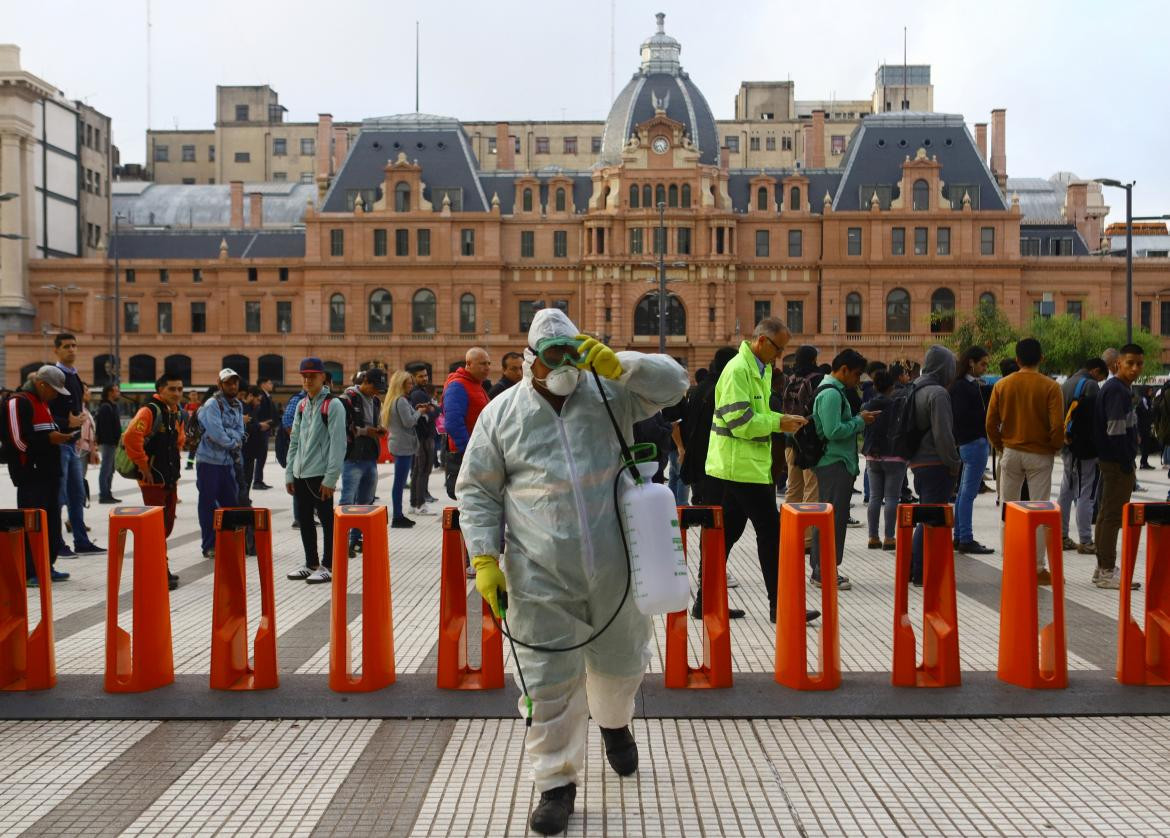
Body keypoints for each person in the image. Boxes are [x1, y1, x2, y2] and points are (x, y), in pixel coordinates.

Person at [457, 308, 688, 836]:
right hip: (538, 573)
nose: (563, 364)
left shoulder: (608, 394)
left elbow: (675, 385)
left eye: (572, 352)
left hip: (615, 565)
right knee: (546, 682)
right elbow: (476, 490)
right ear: (529, 361)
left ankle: (614, 725)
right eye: (553, 355)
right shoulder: (502, 415)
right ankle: (556, 783)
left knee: (621, 664)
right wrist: (485, 559)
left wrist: (621, 364)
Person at [706, 319, 818, 623]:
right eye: (778, 348)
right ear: (761, 341)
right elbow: (739, 423)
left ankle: (705, 601)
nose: (780, 355)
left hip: (748, 466)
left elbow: (761, 414)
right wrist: (778, 423)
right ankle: (780, 606)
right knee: (771, 533)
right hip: (738, 466)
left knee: (728, 533)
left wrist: (783, 418)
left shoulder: (761, 369)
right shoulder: (738, 370)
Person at [985, 338, 1064, 584]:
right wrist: (1053, 446)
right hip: (1040, 454)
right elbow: (1057, 425)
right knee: (1039, 510)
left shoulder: (1002, 385)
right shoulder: (1051, 387)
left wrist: (1000, 445)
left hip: (1010, 451)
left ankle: (1011, 563)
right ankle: (1038, 568)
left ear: (1017, 359)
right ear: (1042, 358)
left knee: (1008, 509)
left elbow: (990, 422)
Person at [810, 349, 879, 589]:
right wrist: (860, 421)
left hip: (837, 462)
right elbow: (832, 431)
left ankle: (823, 568)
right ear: (844, 370)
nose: (857, 380)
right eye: (857, 374)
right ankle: (824, 570)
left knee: (831, 518)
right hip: (833, 463)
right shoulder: (831, 394)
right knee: (832, 519)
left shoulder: (835, 391)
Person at [4, 366, 74, 585]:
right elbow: (17, 441)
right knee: (32, 522)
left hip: (49, 474)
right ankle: (30, 571)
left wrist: (60, 437)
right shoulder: (18, 401)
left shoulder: (43, 403)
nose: (55, 395)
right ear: (42, 384)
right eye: (54, 390)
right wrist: (50, 441)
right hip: (31, 474)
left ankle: (46, 565)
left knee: (50, 521)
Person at [285, 357, 348, 584]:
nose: (308, 379)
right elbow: (295, 441)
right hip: (301, 473)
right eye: (304, 376)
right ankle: (311, 562)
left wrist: (331, 478)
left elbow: (338, 443)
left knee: (326, 520)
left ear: (323, 377)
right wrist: (290, 473)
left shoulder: (333, 405)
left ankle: (329, 564)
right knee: (304, 519)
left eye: (312, 375)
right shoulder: (302, 405)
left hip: (320, 474)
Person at [122, 372, 186, 590]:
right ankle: (156, 572)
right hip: (153, 480)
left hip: (168, 478)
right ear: (160, 390)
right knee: (155, 528)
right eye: (172, 389)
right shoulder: (149, 410)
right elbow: (131, 436)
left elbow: (179, 441)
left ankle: (160, 567)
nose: (177, 393)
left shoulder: (176, 413)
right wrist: (143, 465)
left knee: (165, 526)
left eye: (179, 389)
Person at [906, 346, 961, 583]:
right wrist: (954, 463)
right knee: (931, 518)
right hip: (936, 463)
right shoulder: (937, 393)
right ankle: (920, 571)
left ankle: (915, 568)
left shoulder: (915, 388)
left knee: (927, 514)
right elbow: (943, 434)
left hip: (919, 462)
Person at [1093, 344, 1146, 590]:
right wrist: (1126, 461)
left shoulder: (1119, 388)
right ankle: (1106, 571)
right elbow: (1115, 430)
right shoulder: (1117, 390)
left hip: (1111, 461)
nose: (1135, 368)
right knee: (1112, 517)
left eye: (1139, 364)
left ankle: (1102, 567)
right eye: (1130, 363)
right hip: (1116, 463)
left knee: (1106, 515)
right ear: (1118, 365)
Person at [49, 333, 103, 557]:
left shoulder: (74, 375)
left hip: (72, 444)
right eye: (66, 346)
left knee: (77, 494)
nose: (72, 350)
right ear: (57, 350)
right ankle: (58, 543)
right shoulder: (55, 375)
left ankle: (81, 540)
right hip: (59, 443)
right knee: (59, 496)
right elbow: (46, 412)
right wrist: (65, 423)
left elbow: (78, 410)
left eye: (74, 346)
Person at [1058, 358, 1108, 554]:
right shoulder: (1091, 385)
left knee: (1066, 490)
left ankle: (1061, 535)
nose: (1100, 381)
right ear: (1095, 371)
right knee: (1086, 493)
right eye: (1101, 377)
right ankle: (1086, 540)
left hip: (1066, 445)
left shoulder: (1066, 384)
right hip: (1085, 450)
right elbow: (1095, 421)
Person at [196, 369, 245, 559]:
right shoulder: (212, 405)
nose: (232, 386)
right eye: (228, 383)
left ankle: (228, 541)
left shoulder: (237, 405)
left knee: (230, 504)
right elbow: (217, 434)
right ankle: (209, 545)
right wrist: (233, 440)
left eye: (235, 382)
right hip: (208, 461)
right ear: (220, 384)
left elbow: (240, 431)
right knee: (208, 505)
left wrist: (230, 436)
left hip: (228, 462)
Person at [949, 346, 994, 555]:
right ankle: (965, 536)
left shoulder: (964, 386)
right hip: (974, 442)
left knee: (964, 493)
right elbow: (964, 417)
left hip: (967, 442)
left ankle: (960, 535)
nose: (985, 368)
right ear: (971, 363)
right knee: (968, 493)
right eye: (983, 363)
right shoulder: (963, 387)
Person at [339, 369, 386, 556]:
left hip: (370, 456)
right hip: (353, 456)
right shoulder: (348, 398)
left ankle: (355, 540)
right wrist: (368, 431)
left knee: (366, 501)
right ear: (365, 381)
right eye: (374, 387)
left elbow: (375, 421)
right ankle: (341, 540)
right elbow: (345, 427)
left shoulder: (375, 401)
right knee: (347, 500)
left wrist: (379, 429)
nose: (376, 392)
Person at [442, 347, 491, 501]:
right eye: (483, 364)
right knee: (471, 502)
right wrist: (469, 452)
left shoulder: (475, 384)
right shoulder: (458, 385)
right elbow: (453, 423)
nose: (487, 368)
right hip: (467, 455)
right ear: (469, 364)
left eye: (489, 363)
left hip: (479, 453)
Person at [861, 370, 903, 550]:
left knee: (875, 497)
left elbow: (863, 429)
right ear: (892, 387)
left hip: (872, 455)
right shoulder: (898, 405)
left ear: (875, 386)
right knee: (892, 497)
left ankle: (873, 537)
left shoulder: (867, 406)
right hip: (894, 455)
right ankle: (889, 537)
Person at [382, 370, 429, 528]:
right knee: (399, 482)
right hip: (403, 445)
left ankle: (398, 514)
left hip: (398, 443)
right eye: (409, 383)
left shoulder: (393, 400)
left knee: (399, 482)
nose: (411, 386)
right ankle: (397, 516)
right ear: (401, 385)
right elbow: (409, 422)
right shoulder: (401, 401)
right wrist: (419, 412)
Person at [780, 344, 821, 507]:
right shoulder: (817, 378)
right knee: (811, 489)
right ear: (813, 359)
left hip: (790, 437)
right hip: (809, 440)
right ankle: (808, 532)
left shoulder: (789, 379)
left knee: (793, 488)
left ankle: (788, 530)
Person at [406, 364, 437, 515]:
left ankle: (414, 504)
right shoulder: (418, 394)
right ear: (413, 377)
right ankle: (420, 504)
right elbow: (428, 415)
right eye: (421, 376)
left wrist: (433, 410)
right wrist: (434, 410)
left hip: (421, 436)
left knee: (418, 470)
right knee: (423, 470)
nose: (425, 378)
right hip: (423, 437)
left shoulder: (418, 392)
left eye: (425, 375)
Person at [95, 384, 122, 504]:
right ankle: (104, 495)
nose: (119, 393)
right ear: (110, 393)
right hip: (108, 443)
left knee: (110, 469)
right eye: (117, 391)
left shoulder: (112, 406)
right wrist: (114, 442)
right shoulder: (106, 407)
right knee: (106, 469)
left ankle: (108, 493)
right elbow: (105, 428)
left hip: (112, 443)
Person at [252, 377, 276, 490]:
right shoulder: (260, 395)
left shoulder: (267, 395)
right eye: (269, 382)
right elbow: (258, 411)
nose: (271, 384)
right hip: (261, 429)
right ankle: (257, 481)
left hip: (266, 428)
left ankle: (259, 480)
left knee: (263, 456)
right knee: (261, 455)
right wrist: (260, 424)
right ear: (263, 384)